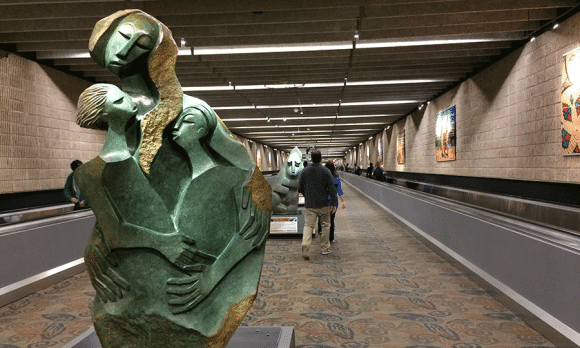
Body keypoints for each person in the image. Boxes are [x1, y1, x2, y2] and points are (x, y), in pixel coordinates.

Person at [298, 150, 337, 259]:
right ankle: (325, 249)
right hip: (324, 204)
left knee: (308, 225)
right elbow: (332, 189)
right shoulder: (326, 171)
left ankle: (305, 244)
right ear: (320, 159)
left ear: (311, 158)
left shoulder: (304, 171)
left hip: (310, 204)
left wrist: (307, 196)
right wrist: (333, 203)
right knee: (325, 225)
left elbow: (300, 187)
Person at [317, 161, 346, 243]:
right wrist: (343, 201)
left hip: (323, 201)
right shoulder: (336, 178)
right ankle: (331, 237)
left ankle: (321, 230)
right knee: (331, 219)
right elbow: (339, 191)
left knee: (322, 216)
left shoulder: (321, 177)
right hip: (333, 202)